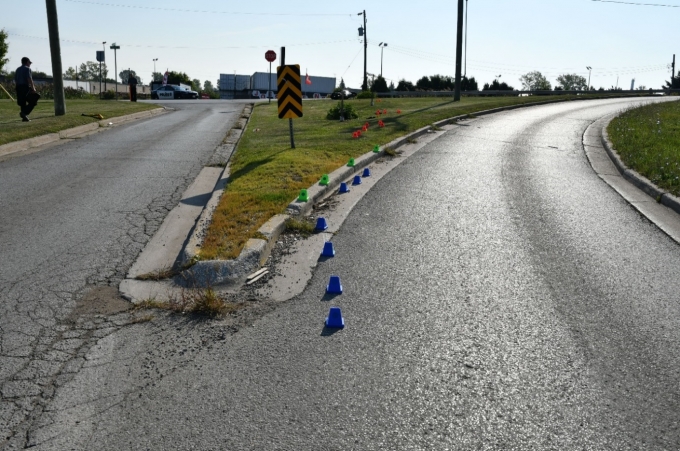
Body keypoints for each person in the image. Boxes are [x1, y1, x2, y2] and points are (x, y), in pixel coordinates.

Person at [15, 57, 36, 122]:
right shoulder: (28, 69)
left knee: (22, 103)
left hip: (18, 87)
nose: (30, 64)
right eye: (29, 62)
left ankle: (24, 117)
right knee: (33, 101)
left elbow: (16, 80)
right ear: (27, 62)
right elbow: (29, 79)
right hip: (25, 87)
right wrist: (33, 88)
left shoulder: (18, 69)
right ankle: (24, 113)